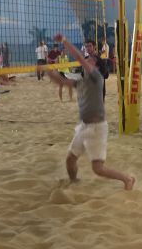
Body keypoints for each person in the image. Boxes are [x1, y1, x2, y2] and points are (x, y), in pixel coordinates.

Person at [46, 33, 135, 190]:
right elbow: (61, 81)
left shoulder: (97, 77)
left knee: (98, 169)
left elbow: (80, 58)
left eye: (91, 60)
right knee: (70, 159)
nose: (87, 60)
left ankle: (127, 179)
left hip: (97, 128)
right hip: (83, 126)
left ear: (96, 67)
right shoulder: (82, 81)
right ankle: (74, 182)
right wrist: (48, 68)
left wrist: (65, 41)